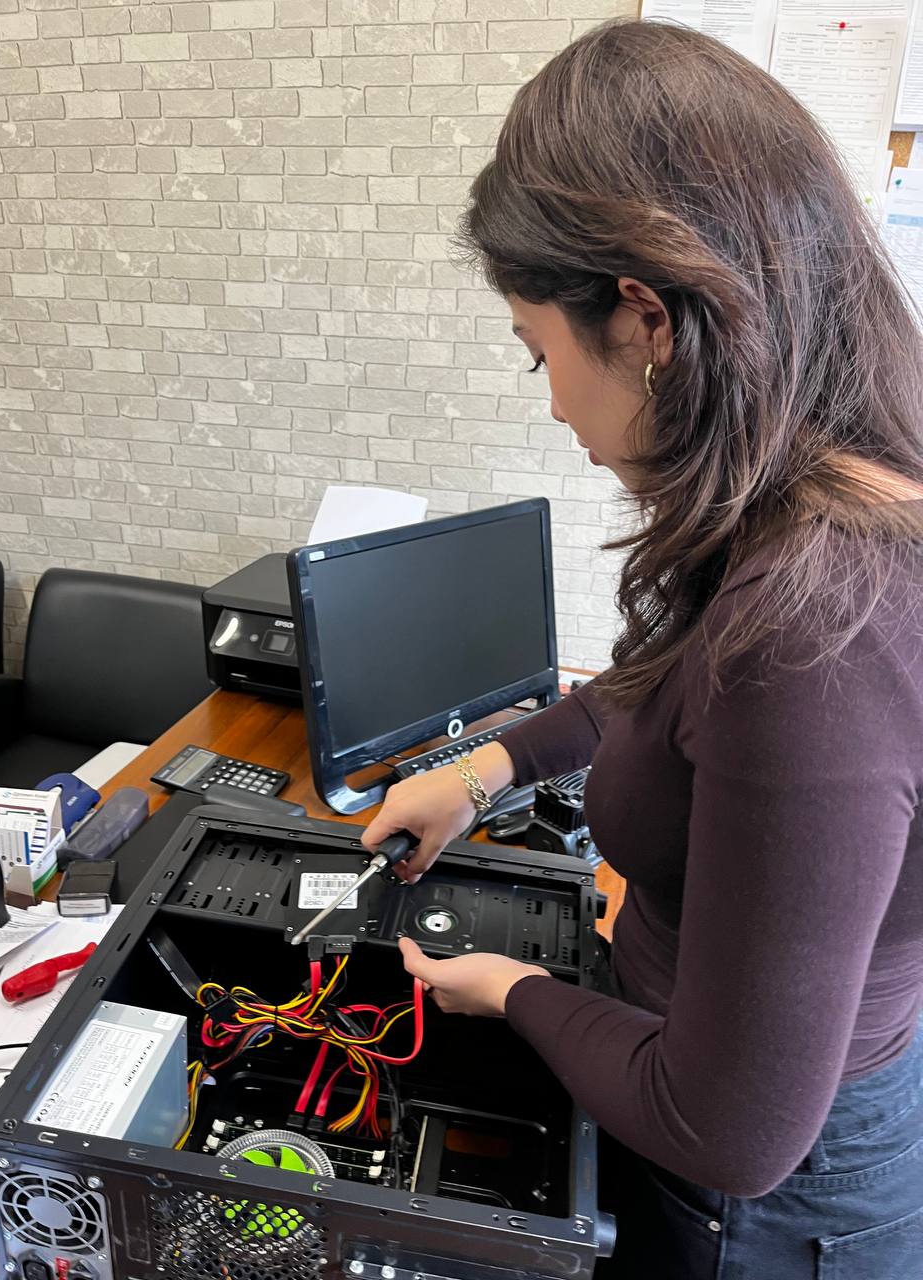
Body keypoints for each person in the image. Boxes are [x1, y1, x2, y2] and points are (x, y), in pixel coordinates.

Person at [360, 19, 923, 1280]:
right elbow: (656, 688)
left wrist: (506, 988)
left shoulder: (816, 631)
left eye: (540, 355)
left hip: (763, 1204)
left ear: (645, 319)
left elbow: (731, 1128)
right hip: (710, 1073)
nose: (554, 400)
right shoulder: (810, 492)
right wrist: (485, 769)